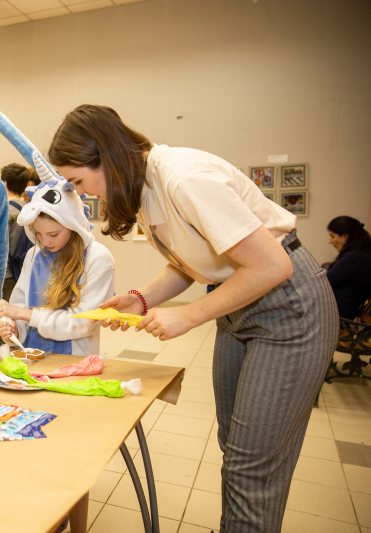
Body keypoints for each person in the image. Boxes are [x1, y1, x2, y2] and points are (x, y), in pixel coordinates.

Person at [47, 104, 338, 533]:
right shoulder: (147, 187)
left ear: (106, 158)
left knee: (252, 466)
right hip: (239, 304)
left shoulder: (183, 178)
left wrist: (188, 315)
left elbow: (272, 266)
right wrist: (140, 299)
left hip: (287, 307)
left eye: (78, 181)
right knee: (234, 446)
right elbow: (192, 262)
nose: (85, 193)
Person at [0, 177, 115, 356]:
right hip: (33, 356)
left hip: (75, 360)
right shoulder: (34, 255)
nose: (45, 242)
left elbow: (83, 322)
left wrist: (24, 314)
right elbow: (20, 304)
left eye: (53, 234)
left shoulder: (98, 259)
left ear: (73, 225)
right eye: (38, 234)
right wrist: (16, 330)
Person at [326, 216, 371, 320]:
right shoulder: (363, 254)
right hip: (343, 312)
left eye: (333, 236)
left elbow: (324, 284)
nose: (330, 241)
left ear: (345, 236)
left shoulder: (354, 258)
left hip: (335, 314)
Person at [0, 163, 32, 301]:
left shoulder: (3, 210)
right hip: (25, 271)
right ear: (27, 185)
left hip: (6, 274)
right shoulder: (32, 210)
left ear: (5, 183)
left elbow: (0, 245)